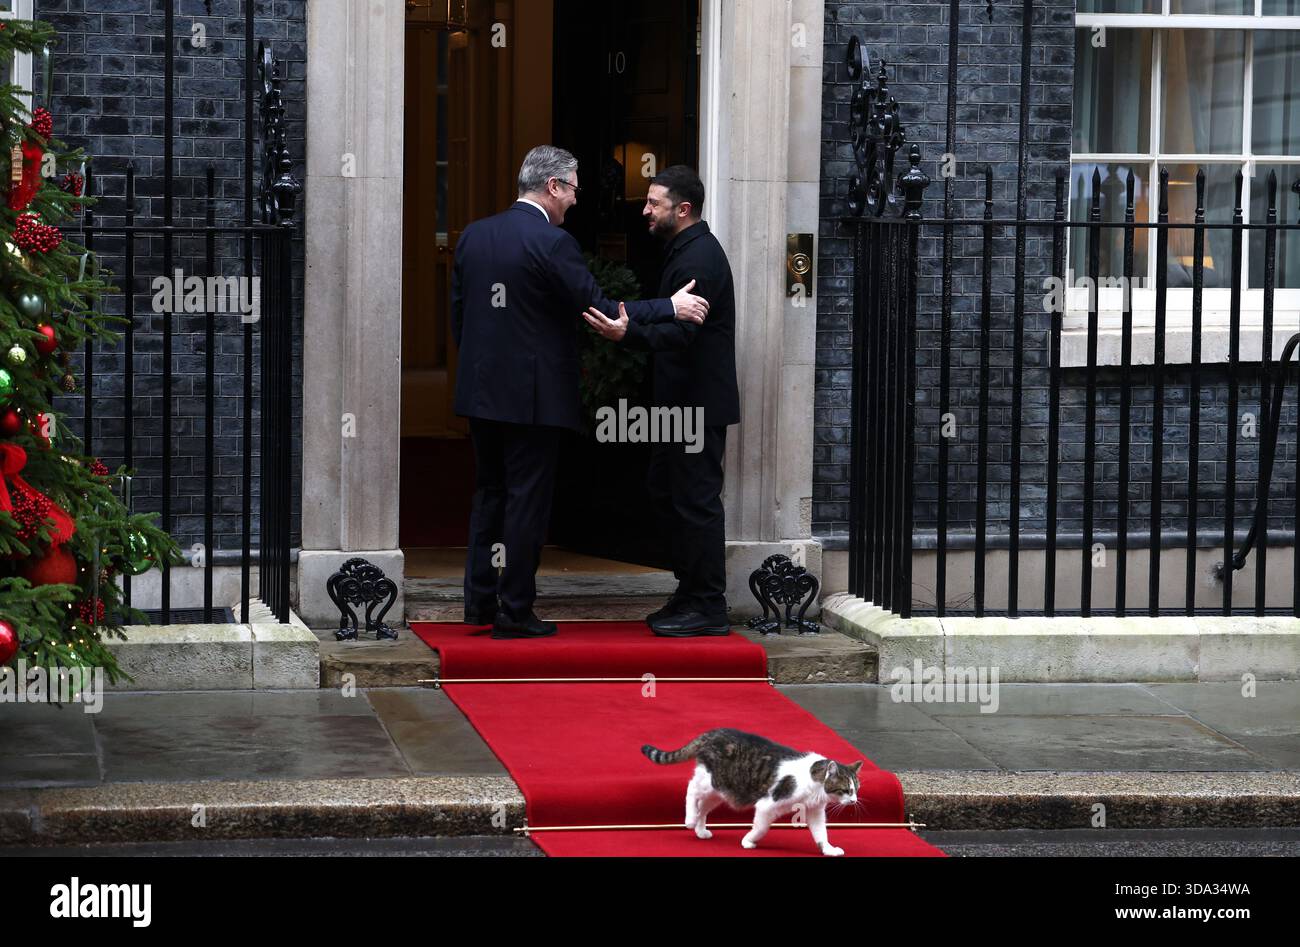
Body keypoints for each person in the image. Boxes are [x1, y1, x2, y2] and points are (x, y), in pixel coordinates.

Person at [452, 146, 710, 640]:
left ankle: (480, 603)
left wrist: (485, 373)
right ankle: (514, 611)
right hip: (534, 400)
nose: (574, 200)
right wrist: (669, 306)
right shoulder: (554, 243)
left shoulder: (475, 236)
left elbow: (461, 321)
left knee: (489, 493)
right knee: (526, 500)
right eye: (572, 188)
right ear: (552, 186)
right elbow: (602, 310)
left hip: (482, 394)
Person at [583, 166, 740, 636]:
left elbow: (681, 335)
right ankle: (690, 591)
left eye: (655, 203)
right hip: (677, 407)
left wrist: (627, 331)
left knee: (695, 502)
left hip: (696, 407)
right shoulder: (683, 251)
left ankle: (708, 605)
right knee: (667, 494)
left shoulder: (699, 260)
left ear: (683, 209)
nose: (646, 210)